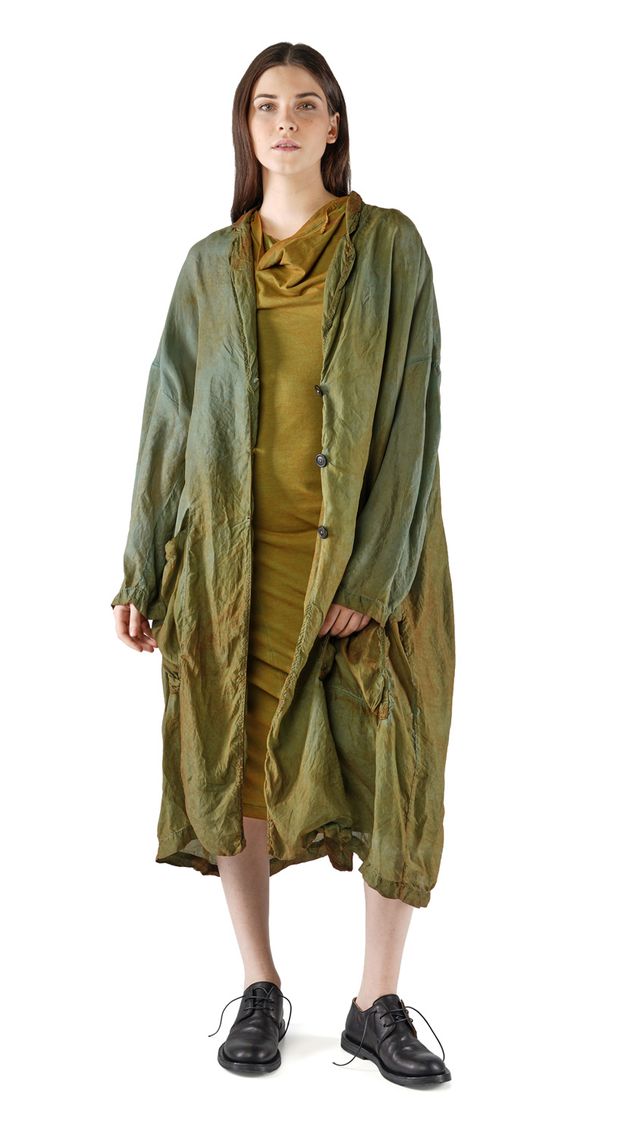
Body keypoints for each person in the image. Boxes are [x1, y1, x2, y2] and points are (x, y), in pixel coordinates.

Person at [112, 42, 455, 1088]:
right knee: (237, 754)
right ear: (246, 127)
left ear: (334, 125)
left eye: (307, 105)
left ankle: (376, 1001)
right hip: (234, 563)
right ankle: (259, 981)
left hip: (365, 566)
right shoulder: (209, 266)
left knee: (390, 761)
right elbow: (170, 418)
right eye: (266, 105)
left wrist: (376, 573)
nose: (286, 122)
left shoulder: (388, 246)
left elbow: (414, 416)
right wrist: (141, 566)